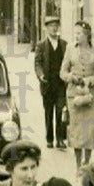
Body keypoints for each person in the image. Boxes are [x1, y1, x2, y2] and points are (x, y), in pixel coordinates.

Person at [60, 20, 94, 173]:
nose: (76, 36)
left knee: (89, 131)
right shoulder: (70, 49)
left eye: (79, 33)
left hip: (90, 97)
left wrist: (90, 80)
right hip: (74, 96)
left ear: (86, 35)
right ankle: (77, 166)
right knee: (76, 131)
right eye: (75, 33)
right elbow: (62, 72)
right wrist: (71, 77)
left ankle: (86, 164)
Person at [35, 15, 68, 149]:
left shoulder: (64, 44)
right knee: (49, 112)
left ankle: (60, 139)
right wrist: (41, 75)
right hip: (47, 84)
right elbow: (38, 63)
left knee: (61, 111)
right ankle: (49, 139)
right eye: (51, 26)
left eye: (56, 26)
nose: (54, 29)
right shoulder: (41, 45)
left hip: (61, 84)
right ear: (46, 29)